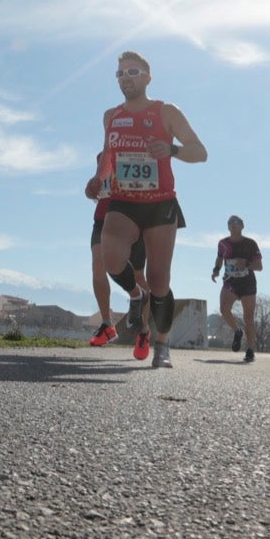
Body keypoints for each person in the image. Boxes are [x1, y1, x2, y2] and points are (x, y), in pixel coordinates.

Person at [95, 51, 209, 369]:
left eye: (132, 71)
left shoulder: (166, 111)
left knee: (159, 279)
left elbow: (201, 152)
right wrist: (97, 178)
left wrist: (171, 149)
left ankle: (162, 344)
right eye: (119, 74)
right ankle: (135, 294)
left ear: (147, 77)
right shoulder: (111, 116)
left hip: (160, 203)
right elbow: (108, 155)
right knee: (111, 258)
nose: (125, 78)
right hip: (123, 201)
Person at [85, 159, 152, 351]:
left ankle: (143, 331)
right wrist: (91, 189)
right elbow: (96, 186)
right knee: (98, 266)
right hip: (103, 218)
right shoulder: (101, 157)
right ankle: (107, 325)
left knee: (138, 275)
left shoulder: (138, 150)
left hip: (132, 218)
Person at [211, 215, 263, 363]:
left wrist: (246, 264)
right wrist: (216, 270)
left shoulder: (251, 243)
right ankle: (237, 331)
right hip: (230, 282)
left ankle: (250, 350)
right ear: (228, 227)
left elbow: (259, 267)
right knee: (224, 309)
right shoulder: (223, 243)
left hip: (247, 283)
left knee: (249, 318)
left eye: (236, 222)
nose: (232, 225)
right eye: (229, 223)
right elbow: (220, 258)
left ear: (242, 225)